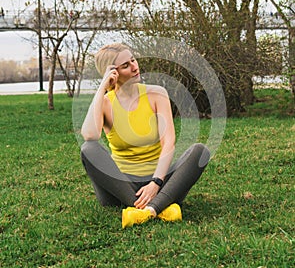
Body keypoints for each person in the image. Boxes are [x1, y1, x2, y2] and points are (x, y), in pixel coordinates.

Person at [80, 43, 210, 228]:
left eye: (133, 60)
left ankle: (147, 210)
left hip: (159, 181)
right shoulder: (107, 103)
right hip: (121, 186)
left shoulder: (157, 94)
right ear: (112, 74)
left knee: (200, 151)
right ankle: (160, 207)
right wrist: (102, 88)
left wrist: (156, 183)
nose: (134, 67)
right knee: (88, 149)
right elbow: (90, 135)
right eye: (125, 65)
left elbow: (168, 143)